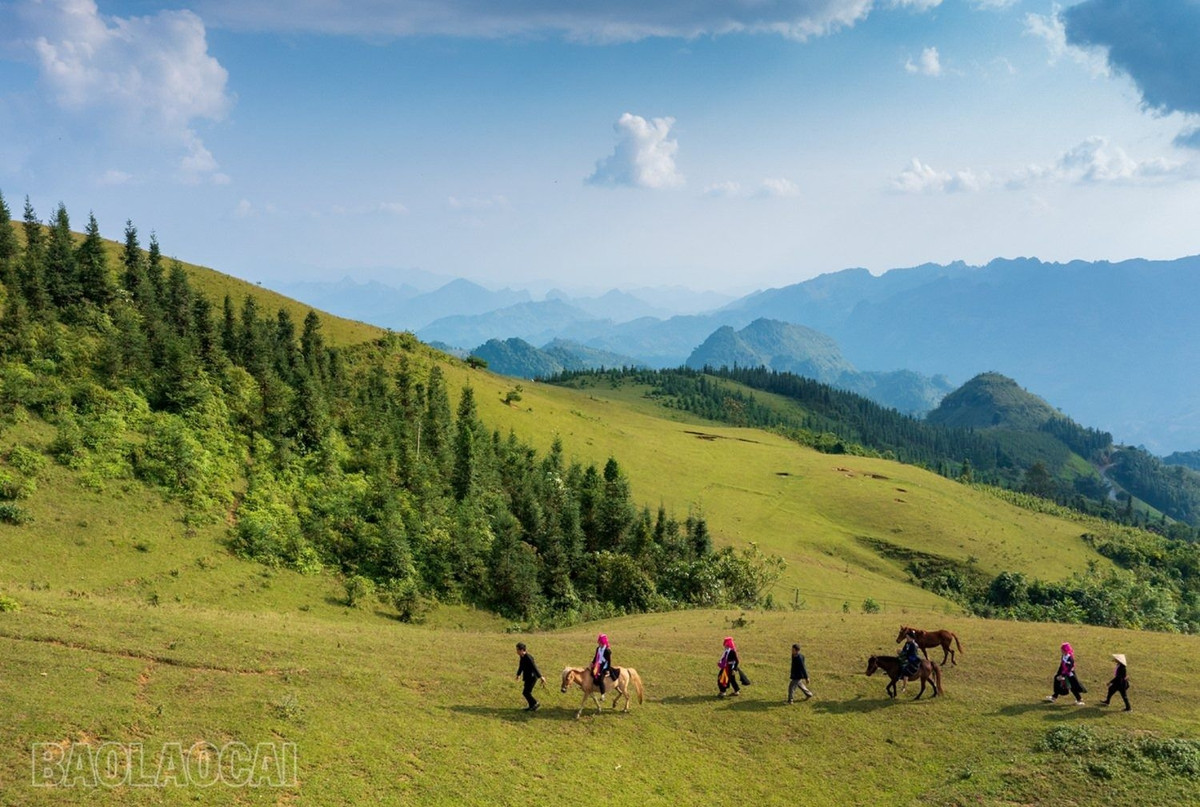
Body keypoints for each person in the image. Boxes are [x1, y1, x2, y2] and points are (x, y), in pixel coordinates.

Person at [514, 642, 544, 712]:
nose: (516, 651)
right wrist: (518, 675)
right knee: (527, 692)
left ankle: (535, 703)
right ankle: (531, 706)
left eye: (517, 650)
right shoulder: (522, 657)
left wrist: (541, 677)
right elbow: (521, 666)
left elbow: (534, 667)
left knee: (526, 692)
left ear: (522, 650)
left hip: (532, 677)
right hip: (528, 677)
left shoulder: (528, 657)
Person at [592, 634, 613, 700]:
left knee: (601, 679)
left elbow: (609, 661)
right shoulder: (598, 648)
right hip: (598, 664)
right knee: (591, 673)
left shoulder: (607, 651)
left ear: (603, 643)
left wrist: (607, 670)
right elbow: (595, 657)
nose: (598, 643)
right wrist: (592, 663)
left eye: (599, 642)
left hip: (604, 666)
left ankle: (603, 695)